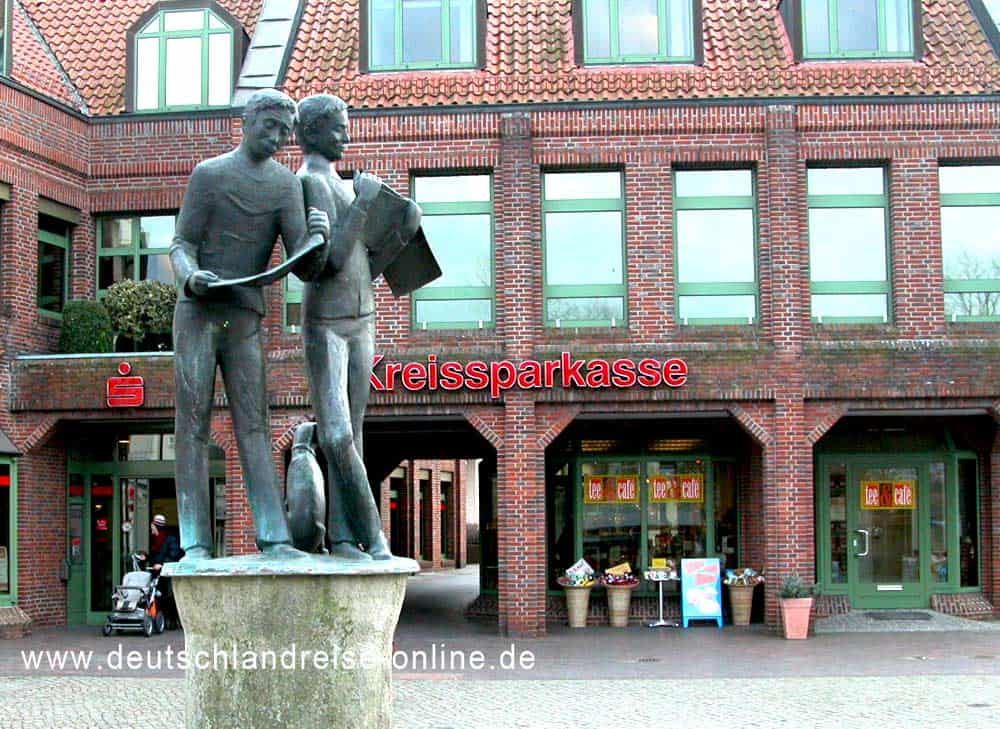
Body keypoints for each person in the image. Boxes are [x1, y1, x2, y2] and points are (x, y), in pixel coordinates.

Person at [169, 89, 330, 561]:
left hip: (244, 315)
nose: (279, 138)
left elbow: (303, 266)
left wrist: (318, 239)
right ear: (248, 121)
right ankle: (196, 542)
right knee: (193, 424)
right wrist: (190, 276)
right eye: (271, 127)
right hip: (198, 312)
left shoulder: (285, 186)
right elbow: (181, 243)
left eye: (286, 131)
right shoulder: (210, 176)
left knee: (255, 424)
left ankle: (275, 537)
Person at [295, 94, 420, 560]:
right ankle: (374, 536)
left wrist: (404, 229)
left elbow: (367, 262)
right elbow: (325, 262)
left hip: (362, 319)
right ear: (312, 133)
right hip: (325, 322)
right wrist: (363, 205)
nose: (347, 135)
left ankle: (345, 539)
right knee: (336, 435)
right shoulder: (306, 183)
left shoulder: (347, 187)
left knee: (356, 433)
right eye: (338, 128)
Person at [148, 514, 183, 629]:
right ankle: (160, 619)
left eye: (153, 528)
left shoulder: (170, 539)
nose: (152, 531)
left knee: (167, 598)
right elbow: (156, 557)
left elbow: (174, 555)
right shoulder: (156, 541)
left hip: (167, 574)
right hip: (158, 574)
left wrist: (162, 564)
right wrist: (147, 558)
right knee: (157, 596)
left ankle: (171, 621)